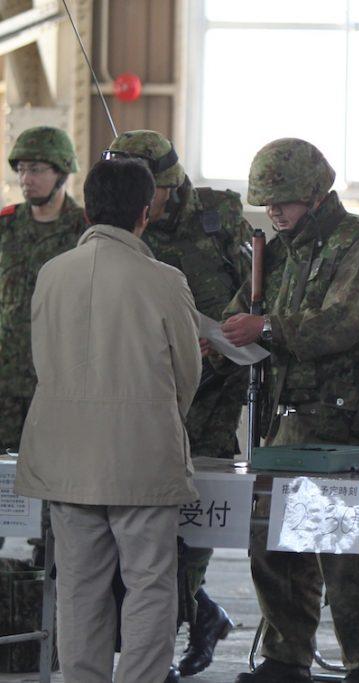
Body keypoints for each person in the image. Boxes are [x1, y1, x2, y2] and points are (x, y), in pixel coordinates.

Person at [15, 157, 201, 683]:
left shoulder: (52, 274)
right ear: (145, 213)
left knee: (78, 585)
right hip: (143, 458)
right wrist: (159, 419)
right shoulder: (165, 281)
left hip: (64, 455)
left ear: (87, 211)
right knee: (150, 583)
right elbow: (187, 373)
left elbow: (42, 361)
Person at [223, 138, 359, 683]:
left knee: (340, 550)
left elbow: (346, 321)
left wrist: (267, 328)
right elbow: (241, 313)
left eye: (285, 201)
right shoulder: (279, 254)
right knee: (273, 544)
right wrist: (219, 335)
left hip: (338, 425)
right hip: (287, 420)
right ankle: (286, 656)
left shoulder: (358, 247)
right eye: (267, 203)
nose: (274, 212)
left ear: (317, 195)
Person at [104, 129, 247, 676]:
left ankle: (164, 643)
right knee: (137, 529)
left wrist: (225, 334)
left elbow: (254, 287)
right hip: (143, 391)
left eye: (150, 190)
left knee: (190, 523)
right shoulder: (119, 221)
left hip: (213, 390)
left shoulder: (218, 215)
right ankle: (190, 622)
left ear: (171, 183)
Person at [0, 126, 86, 451]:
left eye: (36, 169)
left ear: (62, 171)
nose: (26, 179)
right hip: (6, 380)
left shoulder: (85, 230)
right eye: (21, 170)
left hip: (59, 380)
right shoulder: (6, 225)